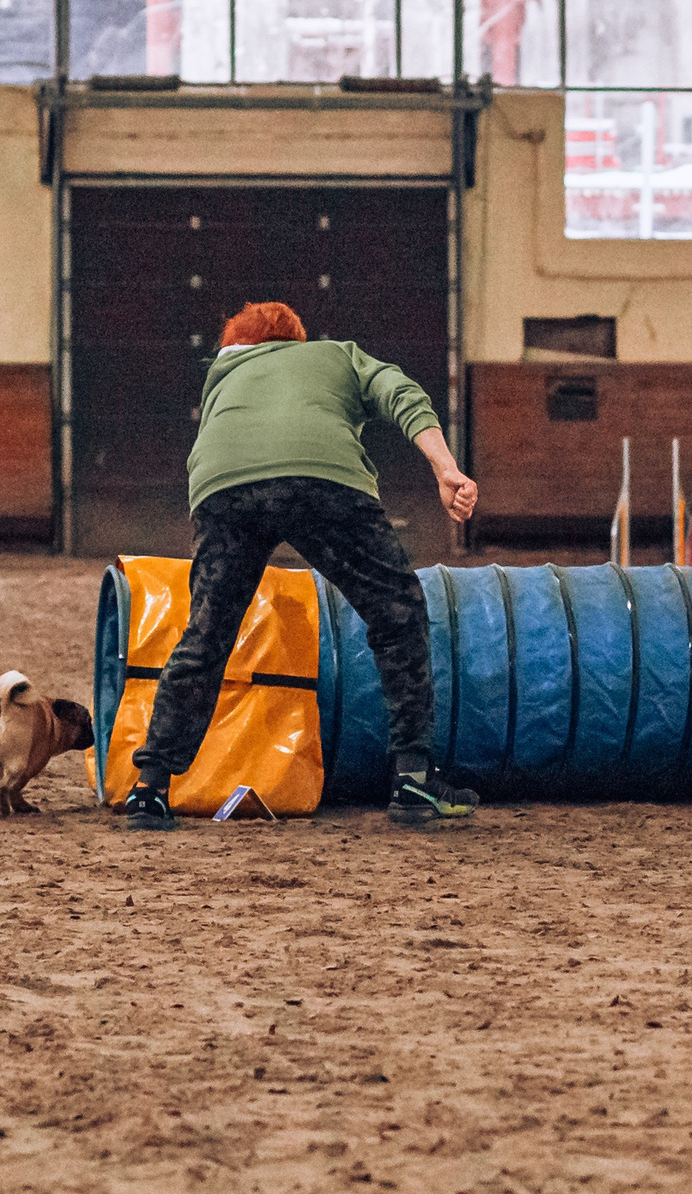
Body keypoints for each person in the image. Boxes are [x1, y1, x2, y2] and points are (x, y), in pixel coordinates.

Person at [125, 301, 480, 831]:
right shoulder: (336, 354)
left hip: (224, 488)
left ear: (235, 345)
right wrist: (445, 468)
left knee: (207, 633)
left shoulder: (222, 374)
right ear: (297, 341)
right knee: (397, 611)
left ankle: (149, 787)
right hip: (322, 477)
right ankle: (412, 777)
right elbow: (401, 392)